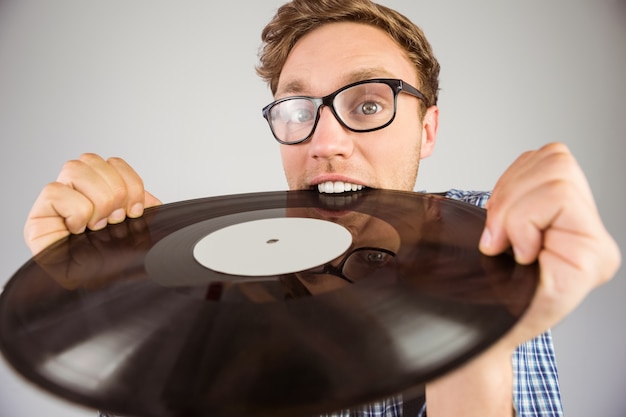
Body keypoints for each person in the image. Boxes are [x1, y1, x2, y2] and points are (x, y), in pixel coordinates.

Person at [22, 0, 620, 416]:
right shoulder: (224, 269)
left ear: (427, 130)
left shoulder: (489, 234)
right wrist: (118, 297)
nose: (325, 141)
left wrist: (482, 333)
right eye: (298, 110)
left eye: (366, 104)